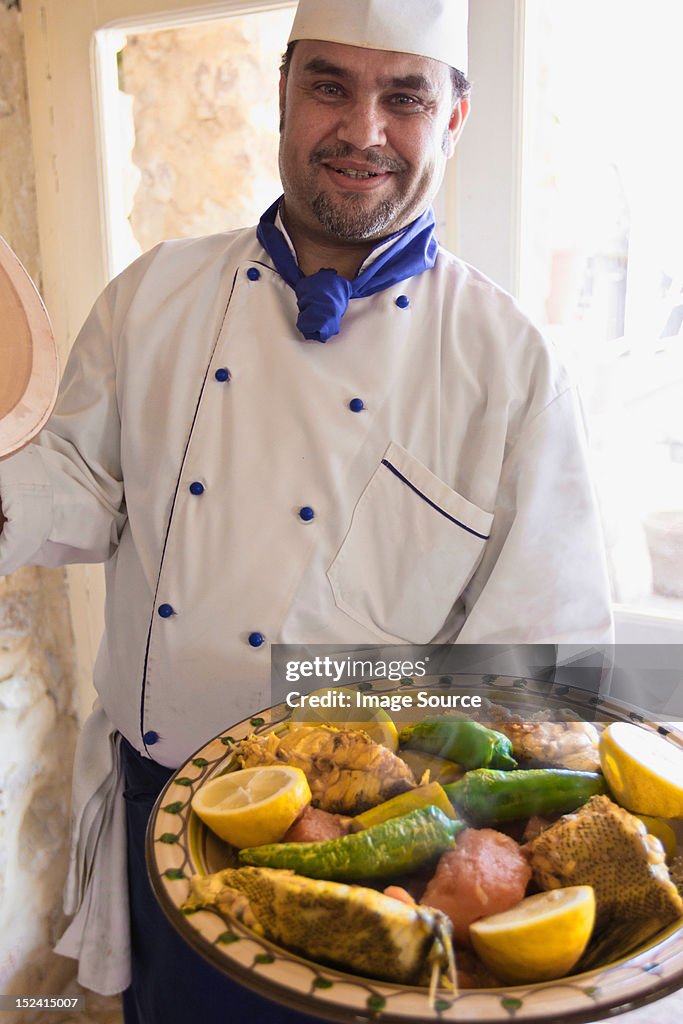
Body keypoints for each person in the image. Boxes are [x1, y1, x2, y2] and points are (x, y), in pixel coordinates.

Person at [0, 0, 613, 1020]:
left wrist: (437, 851)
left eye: (403, 96)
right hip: (167, 823)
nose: (360, 129)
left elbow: (541, 664)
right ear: (282, 93)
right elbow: (75, 482)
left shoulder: (511, 366)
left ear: (452, 119)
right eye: (328, 84)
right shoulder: (154, 296)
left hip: (381, 863)